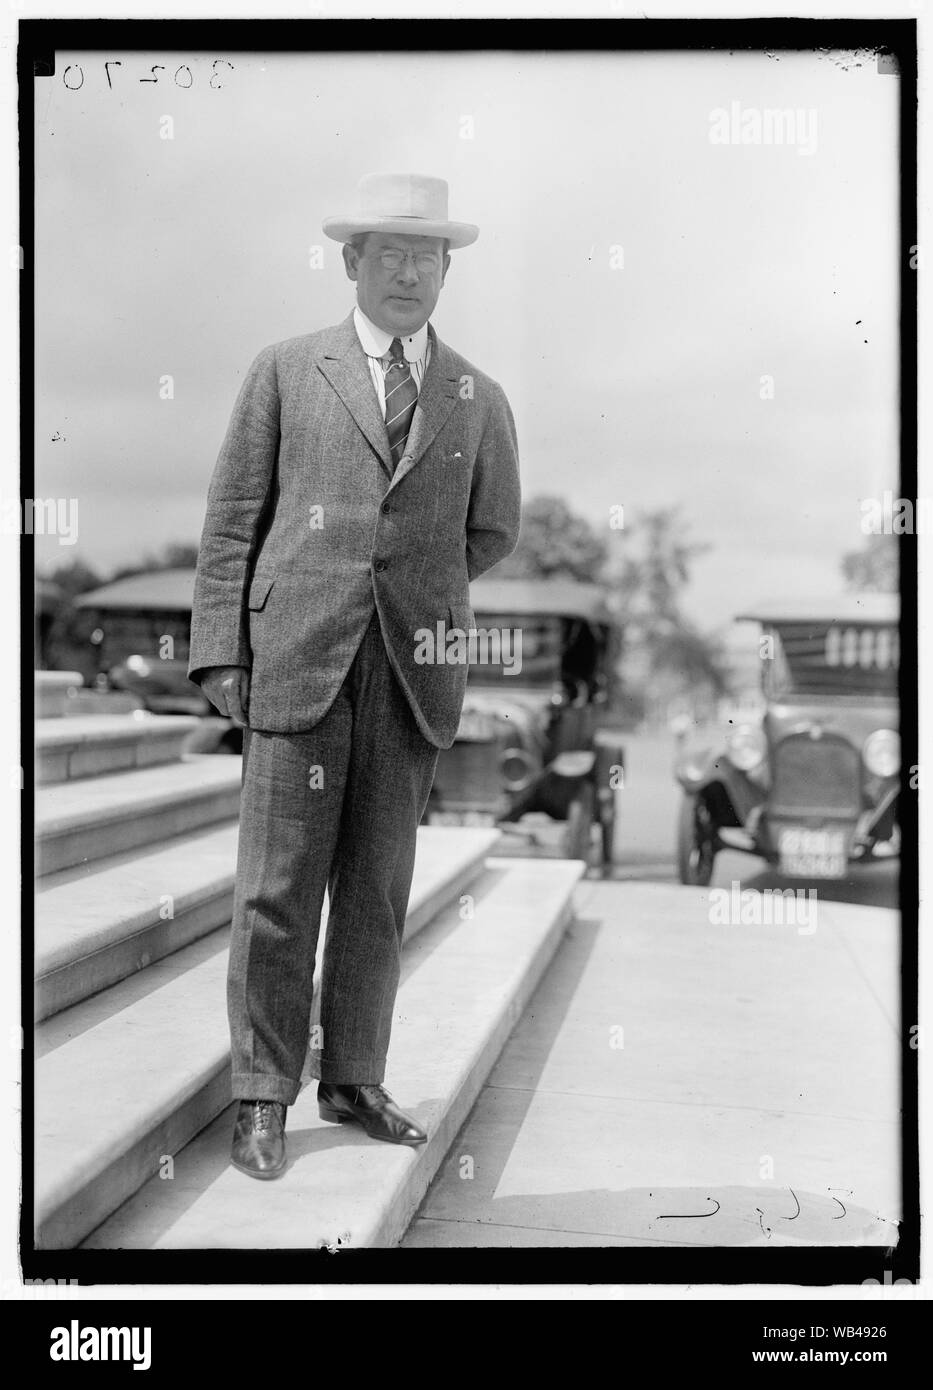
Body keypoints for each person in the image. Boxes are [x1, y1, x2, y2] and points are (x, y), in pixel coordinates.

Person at [187, 172, 522, 1178]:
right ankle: (260, 1095)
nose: (410, 272)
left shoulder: (478, 394)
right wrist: (221, 650)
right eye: (390, 254)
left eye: (428, 256)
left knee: (376, 891)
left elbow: (491, 530)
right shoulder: (286, 370)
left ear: (447, 270)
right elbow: (233, 519)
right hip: (296, 665)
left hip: (414, 673)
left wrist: (410, 588)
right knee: (276, 891)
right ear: (351, 263)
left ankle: (354, 1079)